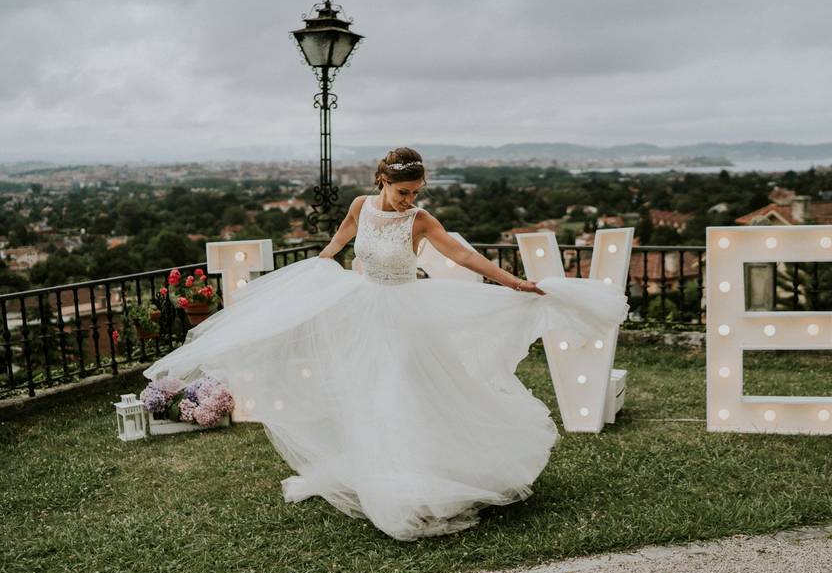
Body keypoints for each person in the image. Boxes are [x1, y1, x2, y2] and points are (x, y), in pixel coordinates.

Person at [144, 147, 628, 541]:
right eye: (402, 191)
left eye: (415, 192)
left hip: (406, 314)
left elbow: (464, 255)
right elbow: (337, 244)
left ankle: (422, 484)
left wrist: (515, 283)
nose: (407, 200)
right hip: (363, 309)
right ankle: (389, 478)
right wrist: (316, 271)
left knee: (408, 391)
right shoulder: (360, 206)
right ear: (383, 182)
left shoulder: (420, 220)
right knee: (370, 395)